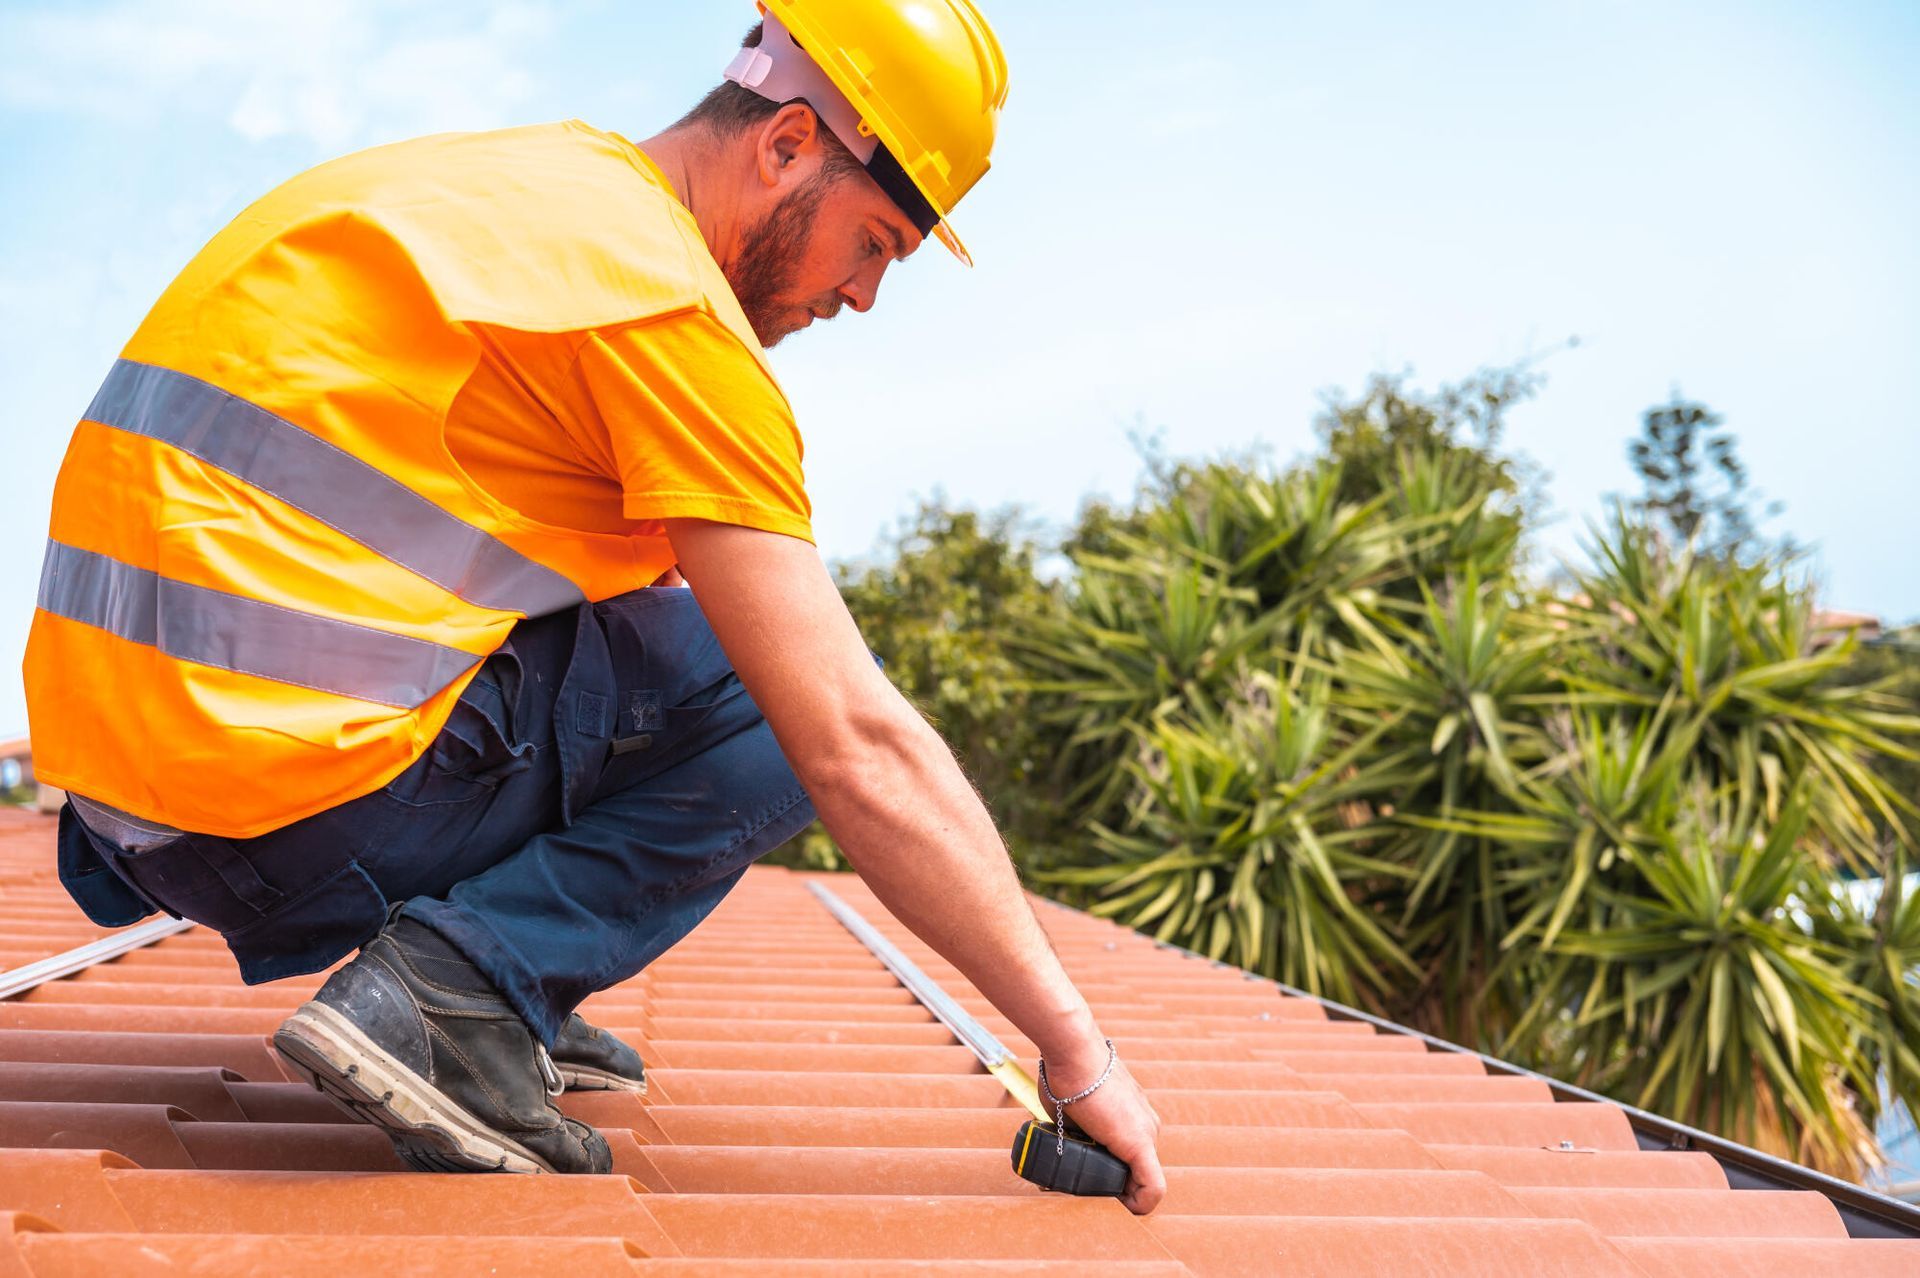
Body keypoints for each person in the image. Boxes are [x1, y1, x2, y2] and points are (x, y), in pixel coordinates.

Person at [25, 0, 1166, 1212]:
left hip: (122, 807)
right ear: (785, 145)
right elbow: (852, 744)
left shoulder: (523, 193)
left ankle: (498, 1003)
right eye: (873, 242)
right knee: (772, 693)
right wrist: (1076, 1046)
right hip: (268, 823)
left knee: (662, 623)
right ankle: (458, 994)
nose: (865, 296)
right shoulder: (659, 305)